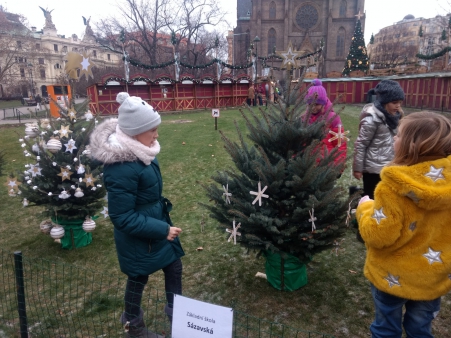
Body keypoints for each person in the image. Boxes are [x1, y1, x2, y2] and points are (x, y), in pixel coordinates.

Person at [90, 92, 184, 338]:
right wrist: (162, 229)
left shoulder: (143, 152)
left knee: (173, 267)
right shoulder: (121, 167)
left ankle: (180, 317)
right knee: (138, 277)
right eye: (152, 130)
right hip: (139, 235)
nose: (156, 135)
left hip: (153, 224)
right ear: (134, 131)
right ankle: (134, 326)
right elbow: (122, 217)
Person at [356, 111, 451, 338]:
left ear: (411, 146)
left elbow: (379, 235)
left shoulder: (394, 187)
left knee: (386, 327)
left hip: (392, 275)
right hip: (432, 276)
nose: (393, 139)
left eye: (397, 135)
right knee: (420, 328)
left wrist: (364, 208)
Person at [353, 79, 405, 200]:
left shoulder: (398, 118)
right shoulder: (372, 120)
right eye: (394, 102)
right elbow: (361, 145)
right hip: (373, 169)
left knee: (388, 198)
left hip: (391, 166)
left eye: (400, 102)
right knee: (372, 198)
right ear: (384, 102)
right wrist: (358, 169)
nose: (398, 106)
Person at [303, 79, 347, 166]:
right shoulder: (304, 119)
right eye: (310, 104)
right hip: (308, 166)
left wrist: (338, 166)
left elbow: (340, 144)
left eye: (317, 104)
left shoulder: (333, 118)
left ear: (323, 103)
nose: (313, 107)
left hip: (327, 165)